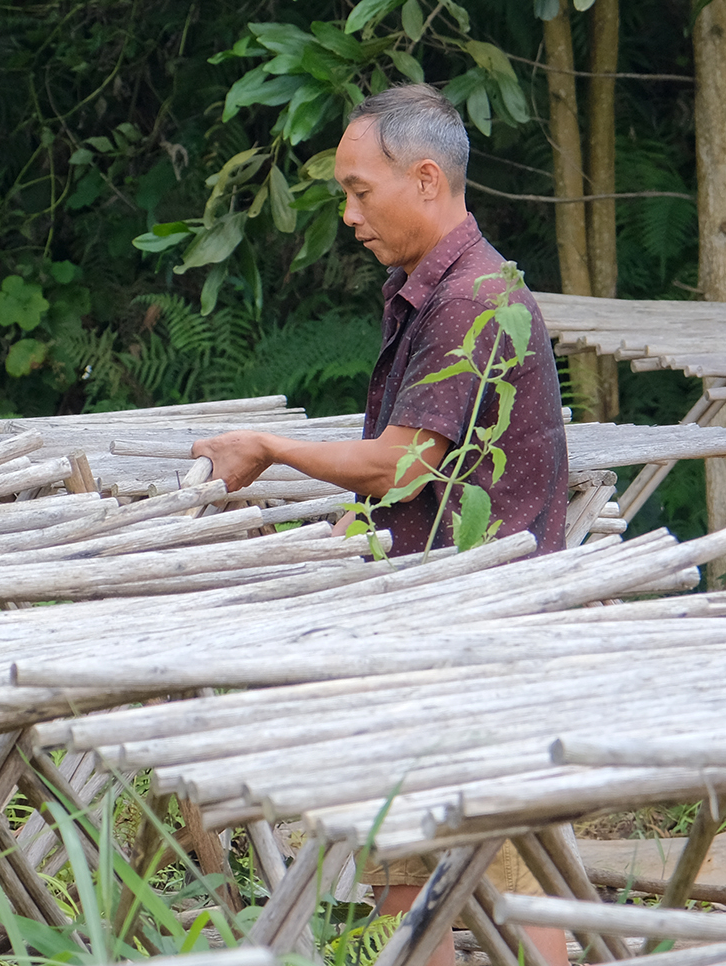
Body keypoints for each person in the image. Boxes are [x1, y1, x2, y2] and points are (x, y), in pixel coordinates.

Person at [192, 83, 571, 966]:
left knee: (507, 854)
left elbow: (406, 462)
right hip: (437, 615)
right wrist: (363, 532)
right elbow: (420, 482)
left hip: (485, 626)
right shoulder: (436, 292)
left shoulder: (473, 299)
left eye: (362, 192)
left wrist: (269, 448)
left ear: (427, 180)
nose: (351, 214)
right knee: (409, 860)